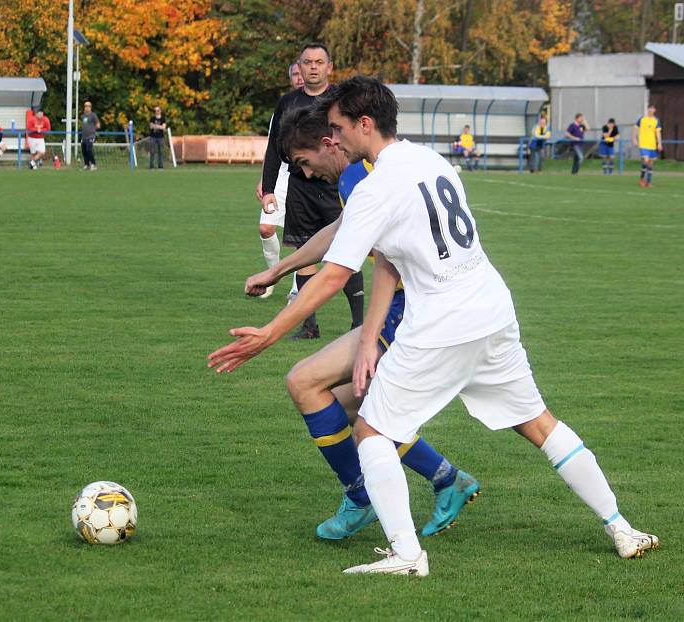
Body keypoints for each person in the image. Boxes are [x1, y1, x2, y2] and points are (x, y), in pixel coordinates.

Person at [209, 76, 658, 576]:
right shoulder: (430, 159)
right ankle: (621, 526)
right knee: (539, 424)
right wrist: (327, 306)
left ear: (364, 124)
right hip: (491, 309)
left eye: (337, 126)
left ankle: (406, 555)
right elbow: (385, 257)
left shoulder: (378, 184)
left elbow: (336, 274)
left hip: (440, 322)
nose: (331, 136)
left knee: (372, 432)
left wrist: (269, 334)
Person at [244, 105, 480, 540]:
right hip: (426, 305)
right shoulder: (364, 172)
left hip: (414, 310)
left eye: (304, 163)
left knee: (304, 384)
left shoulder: (360, 176)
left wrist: (270, 332)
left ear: (329, 143)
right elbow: (339, 230)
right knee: (352, 404)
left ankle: (361, 495)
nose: (308, 175)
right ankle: (447, 479)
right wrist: (277, 271)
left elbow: (339, 269)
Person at [260, 42, 364, 339]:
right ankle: (309, 326)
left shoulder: (341, 101)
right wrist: (268, 188)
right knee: (304, 251)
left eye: (319, 62)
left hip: (336, 186)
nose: (313, 67)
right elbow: (273, 147)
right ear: (299, 68)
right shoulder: (288, 103)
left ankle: (358, 323)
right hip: (300, 188)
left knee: (347, 247)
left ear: (329, 67)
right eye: (308, 62)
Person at [255, 60, 307, 300]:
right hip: (282, 176)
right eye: (295, 74)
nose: (299, 77)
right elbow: (272, 147)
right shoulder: (284, 106)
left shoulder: (321, 106)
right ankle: (273, 276)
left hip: (307, 176)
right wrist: (265, 183)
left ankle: (297, 289)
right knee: (266, 228)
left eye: (302, 72)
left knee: (301, 236)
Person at [633, 105, 662, 188]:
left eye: (653, 108)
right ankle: (642, 179)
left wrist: (659, 143)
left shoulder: (656, 120)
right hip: (643, 144)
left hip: (652, 145)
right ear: (648, 109)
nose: (651, 109)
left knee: (650, 163)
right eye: (650, 108)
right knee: (646, 160)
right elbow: (635, 128)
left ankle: (648, 182)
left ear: (655, 110)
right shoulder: (642, 119)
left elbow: (658, 133)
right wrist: (634, 138)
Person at [81, 101, 100, 171]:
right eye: (85, 106)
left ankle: (93, 164)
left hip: (90, 136)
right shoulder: (83, 116)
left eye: (88, 106)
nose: (86, 107)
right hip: (84, 136)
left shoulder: (93, 115)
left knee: (89, 149)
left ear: (90, 107)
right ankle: (86, 165)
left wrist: (92, 129)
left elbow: (98, 125)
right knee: (84, 150)